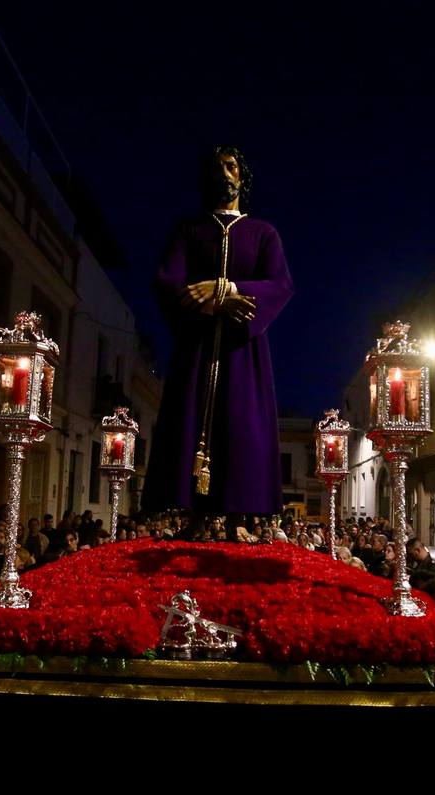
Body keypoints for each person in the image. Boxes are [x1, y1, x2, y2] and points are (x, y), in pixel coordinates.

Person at [143, 145, 294, 519]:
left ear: (243, 176)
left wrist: (226, 289)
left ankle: (240, 514)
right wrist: (213, 301)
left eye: (231, 167)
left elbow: (280, 284)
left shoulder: (263, 233)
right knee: (188, 416)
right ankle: (187, 511)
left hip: (243, 348)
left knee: (241, 421)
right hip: (197, 346)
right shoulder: (189, 231)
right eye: (217, 169)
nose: (224, 175)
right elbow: (168, 282)